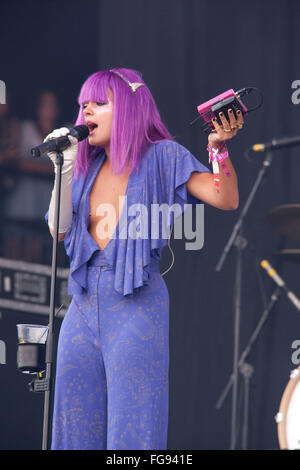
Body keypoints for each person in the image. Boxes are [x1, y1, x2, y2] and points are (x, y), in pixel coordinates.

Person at [44, 68, 243, 450]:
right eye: (83, 104)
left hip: (136, 306)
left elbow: (225, 198)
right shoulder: (84, 165)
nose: (86, 111)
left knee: (133, 433)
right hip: (81, 310)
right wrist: (64, 168)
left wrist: (218, 146)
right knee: (72, 430)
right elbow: (60, 231)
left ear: (131, 108)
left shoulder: (162, 156)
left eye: (99, 103)